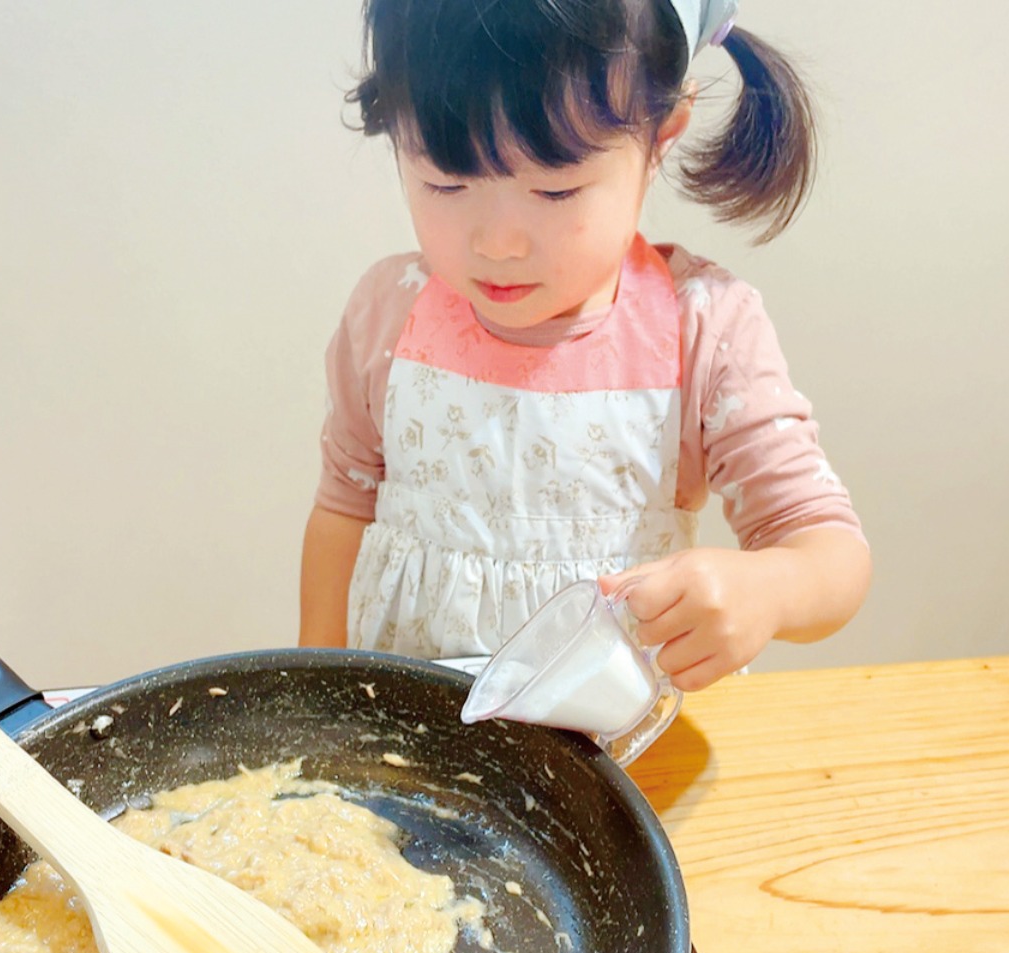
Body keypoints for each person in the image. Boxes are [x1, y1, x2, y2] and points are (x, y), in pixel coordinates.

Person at [299, 0, 870, 692]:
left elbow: (831, 553)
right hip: (409, 747)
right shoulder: (389, 312)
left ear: (663, 136)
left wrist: (768, 588)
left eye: (556, 190)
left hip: (613, 766)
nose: (497, 244)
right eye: (444, 183)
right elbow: (343, 510)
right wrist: (316, 694)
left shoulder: (702, 330)